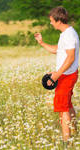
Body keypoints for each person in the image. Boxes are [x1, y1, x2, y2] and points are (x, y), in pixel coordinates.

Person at [34, 6, 79, 144]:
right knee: (68, 105)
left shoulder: (69, 35)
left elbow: (70, 58)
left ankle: (66, 142)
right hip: (65, 74)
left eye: (52, 20)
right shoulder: (66, 34)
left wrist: (56, 76)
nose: (51, 23)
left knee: (62, 109)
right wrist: (41, 43)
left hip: (66, 76)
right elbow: (58, 51)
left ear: (58, 20)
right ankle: (75, 135)